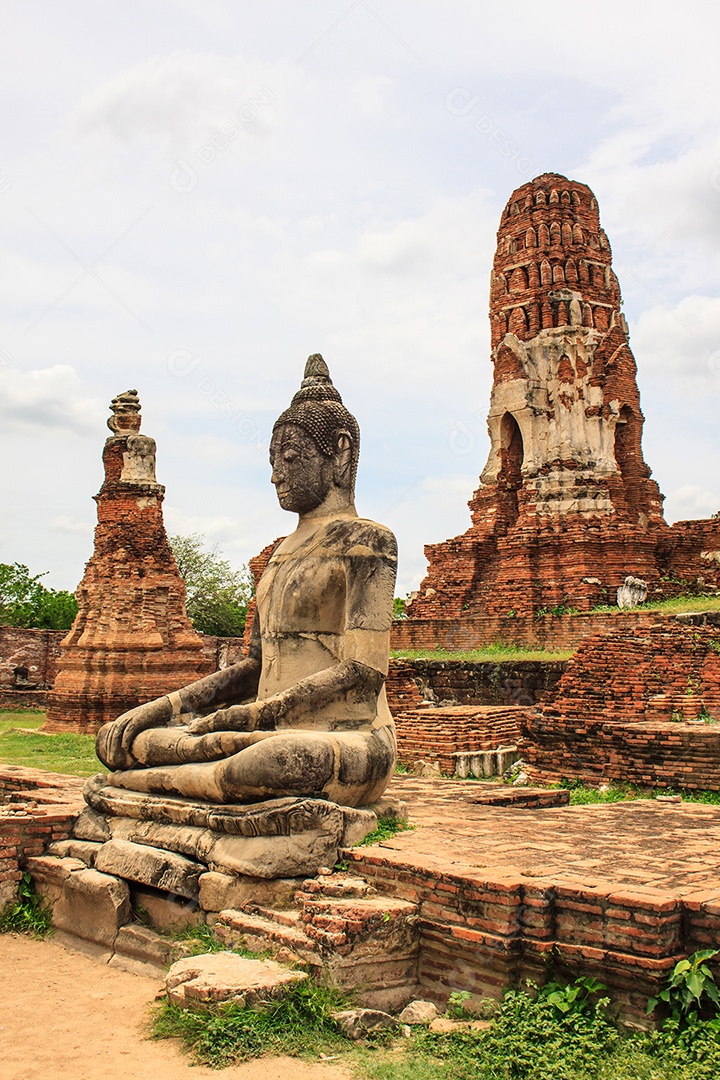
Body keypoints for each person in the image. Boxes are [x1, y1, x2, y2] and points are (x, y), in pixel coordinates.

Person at [96, 355, 398, 808]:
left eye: (291, 458)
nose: (277, 472)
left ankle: (156, 783)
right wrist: (163, 708)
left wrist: (255, 715)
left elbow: (364, 672)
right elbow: (255, 665)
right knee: (124, 738)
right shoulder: (281, 553)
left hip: (347, 737)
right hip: (261, 729)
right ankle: (181, 776)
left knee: (275, 761)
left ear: (340, 451)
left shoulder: (367, 542)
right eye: (273, 459)